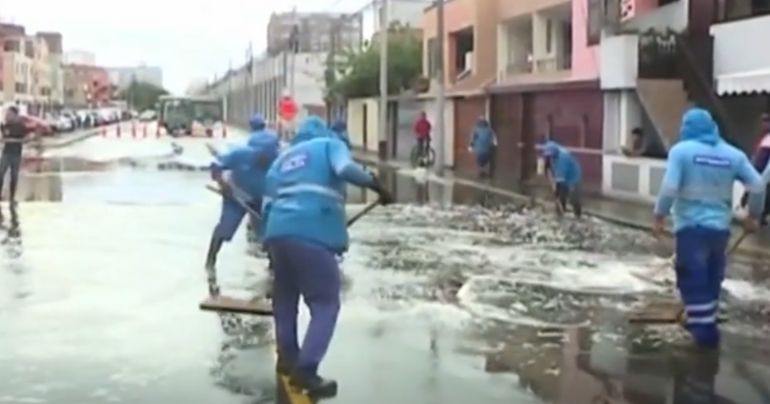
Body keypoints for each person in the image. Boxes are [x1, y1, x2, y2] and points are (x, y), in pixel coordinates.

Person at [262, 115, 393, 398]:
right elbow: (345, 168)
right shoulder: (328, 145)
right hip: (311, 233)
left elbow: (268, 203)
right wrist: (376, 184)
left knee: (285, 300)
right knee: (325, 303)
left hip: (277, 235)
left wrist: (270, 242)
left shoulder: (282, 160)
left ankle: (288, 358)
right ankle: (306, 370)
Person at [653, 108, 765, 349]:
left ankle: (704, 335)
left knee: (693, 279)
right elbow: (757, 185)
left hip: (690, 228)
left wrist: (659, 214)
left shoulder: (681, 152)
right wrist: (752, 216)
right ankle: (704, 321)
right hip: (719, 231)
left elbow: (670, 187)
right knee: (712, 277)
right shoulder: (733, 154)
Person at [204, 131, 279, 293]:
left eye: (270, 156)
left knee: (270, 234)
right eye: (263, 156)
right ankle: (210, 262)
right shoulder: (240, 155)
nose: (266, 160)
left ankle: (274, 269)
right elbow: (216, 165)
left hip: (261, 201)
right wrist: (222, 183)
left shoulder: (279, 161)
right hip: (235, 196)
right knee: (226, 228)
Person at [0, 106, 34, 215]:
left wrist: (27, 139)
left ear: (15, 115)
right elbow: (4, 135)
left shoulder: (20, 126)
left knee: (14, 176)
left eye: (9, 114)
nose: (7, 116)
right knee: (1, 174)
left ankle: (12, 198)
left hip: (16, 155)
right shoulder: (6, 125)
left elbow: (28, 136)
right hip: (6, 153)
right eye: (7, 114)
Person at [538, 138, 582, 218]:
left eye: (550, 155)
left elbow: (560, 179)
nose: (549, 157)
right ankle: (560, 212)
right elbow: (544, 161)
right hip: (561, 172)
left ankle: (578, 215)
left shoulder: (563, 159)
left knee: (572, 195)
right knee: (561, 196)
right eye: (548, 155)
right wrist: (545, 166)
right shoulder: (550, 147)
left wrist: (557, 191)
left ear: (554, 153)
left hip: (572, 175)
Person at [740, 112, 770, 225]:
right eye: (763, 121)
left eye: (766, 121)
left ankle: (758, 218)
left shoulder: (767, 139)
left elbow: (761, 161)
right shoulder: (763, 138)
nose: (763, 124)